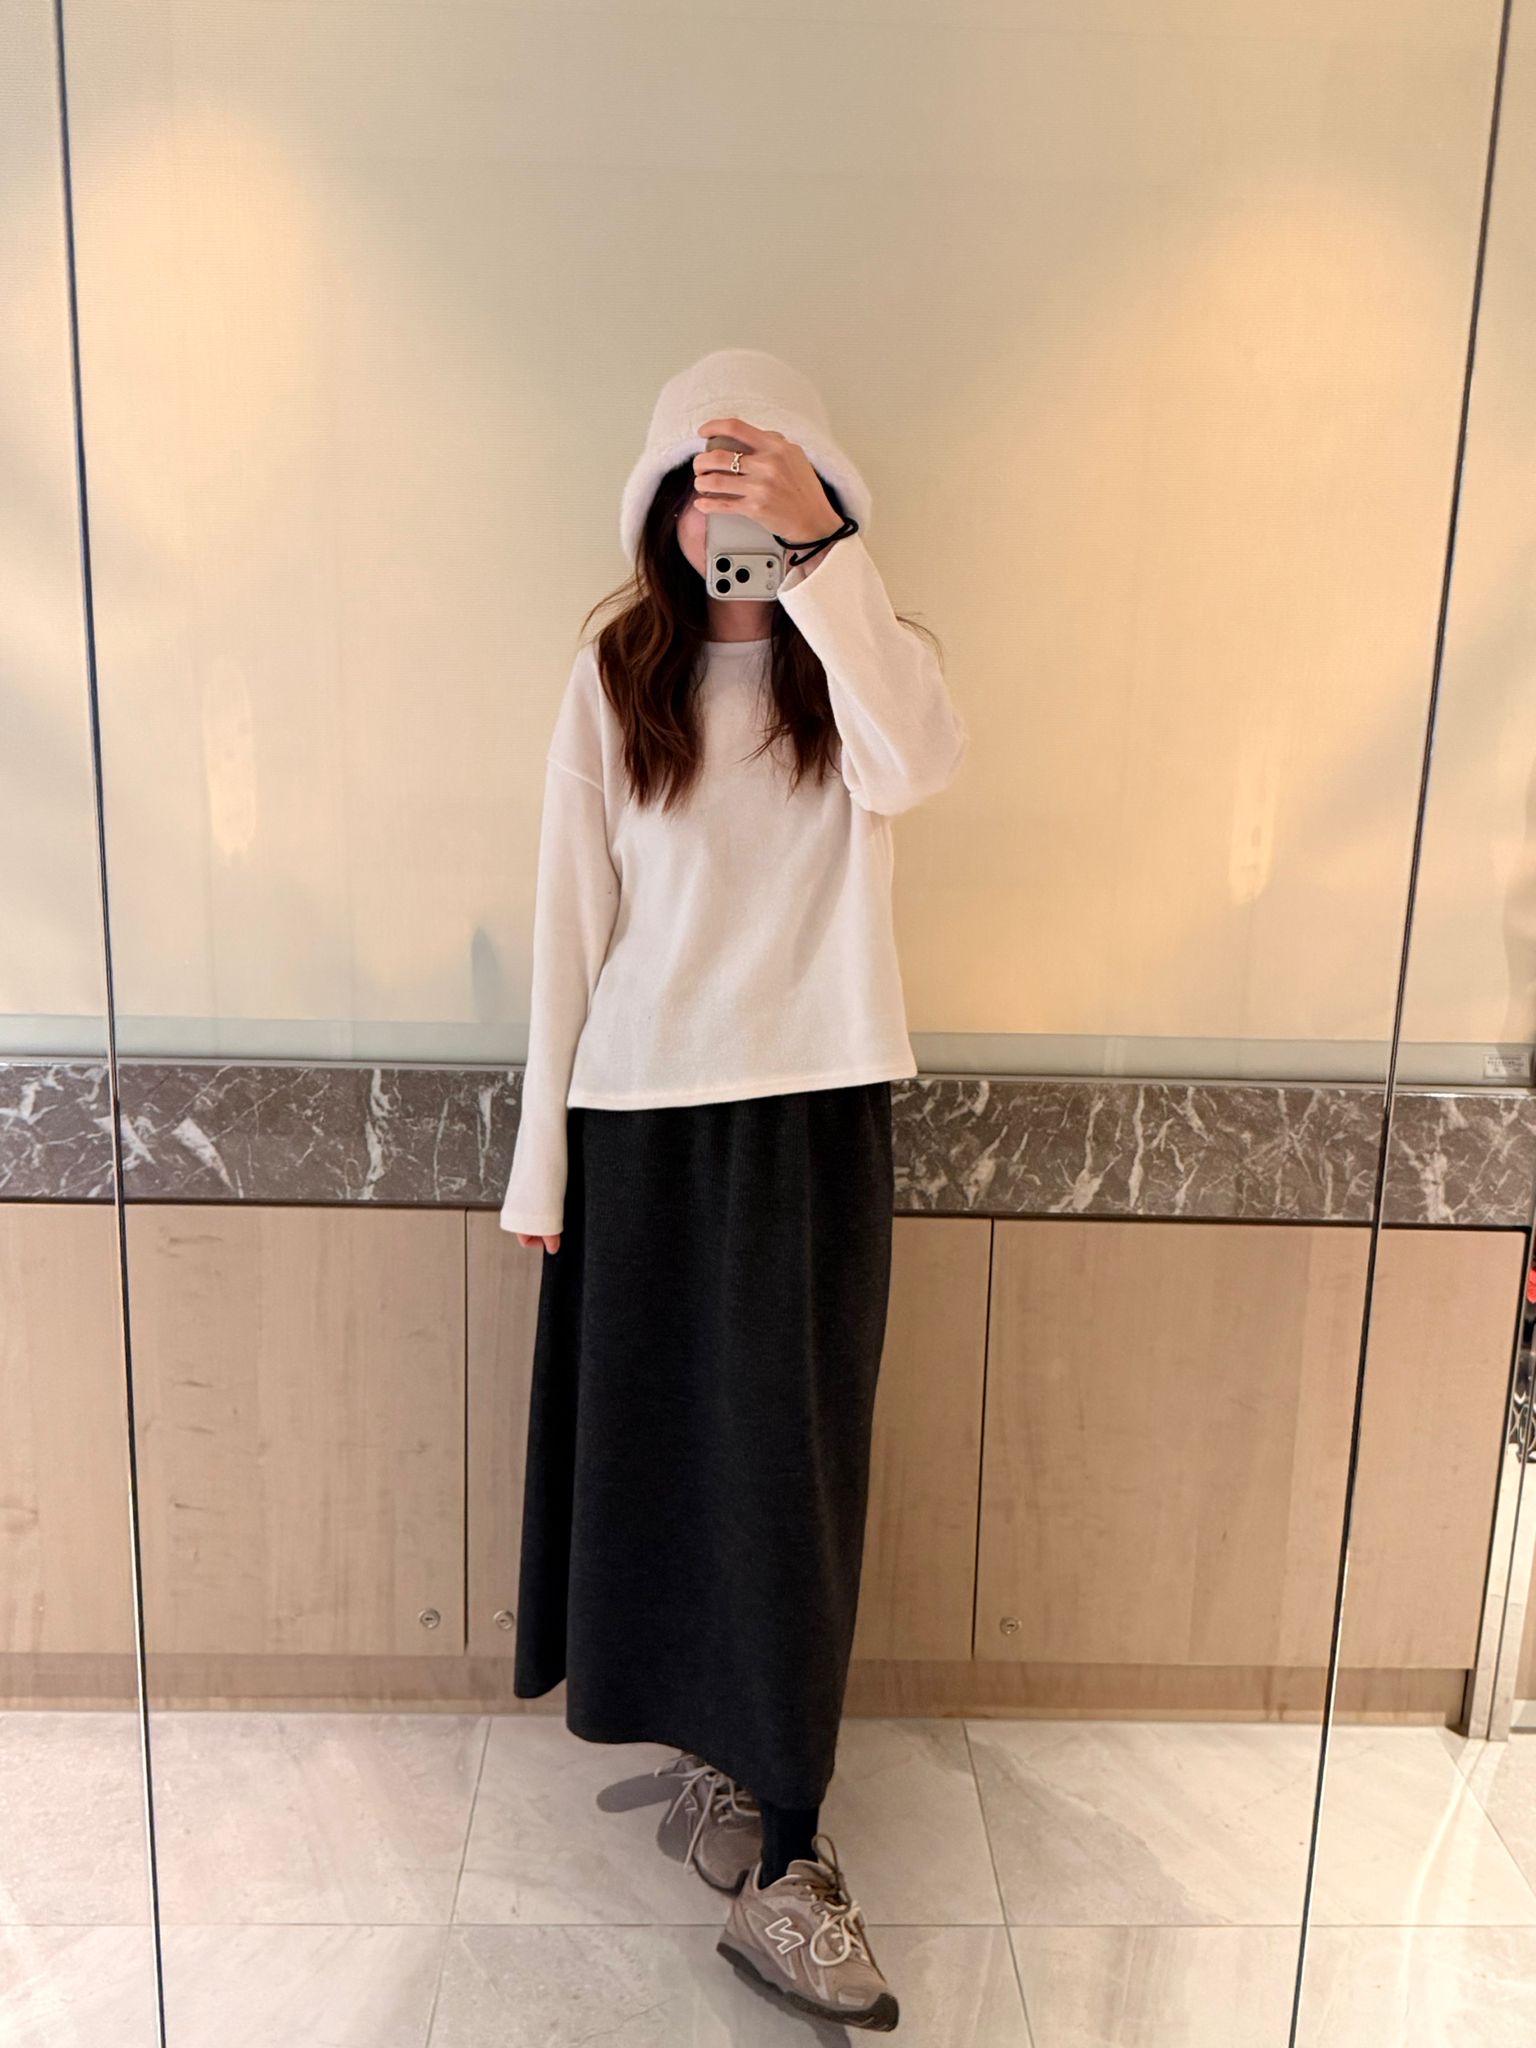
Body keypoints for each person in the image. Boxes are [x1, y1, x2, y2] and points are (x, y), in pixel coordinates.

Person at [498, 347, 968, 2030]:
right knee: (661, 1458)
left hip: (811, 1118)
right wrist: (543, 1159)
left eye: (762, 486)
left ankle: (792, 1850)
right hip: (640, 1118)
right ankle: (721, 1758)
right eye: (702, 488)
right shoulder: (614, 677)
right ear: (656, 509)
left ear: (818, 495)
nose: (732, 522)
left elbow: (920, 767)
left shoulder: (867, 668)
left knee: (788, 1475)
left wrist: (829, 554)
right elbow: (569, 920)